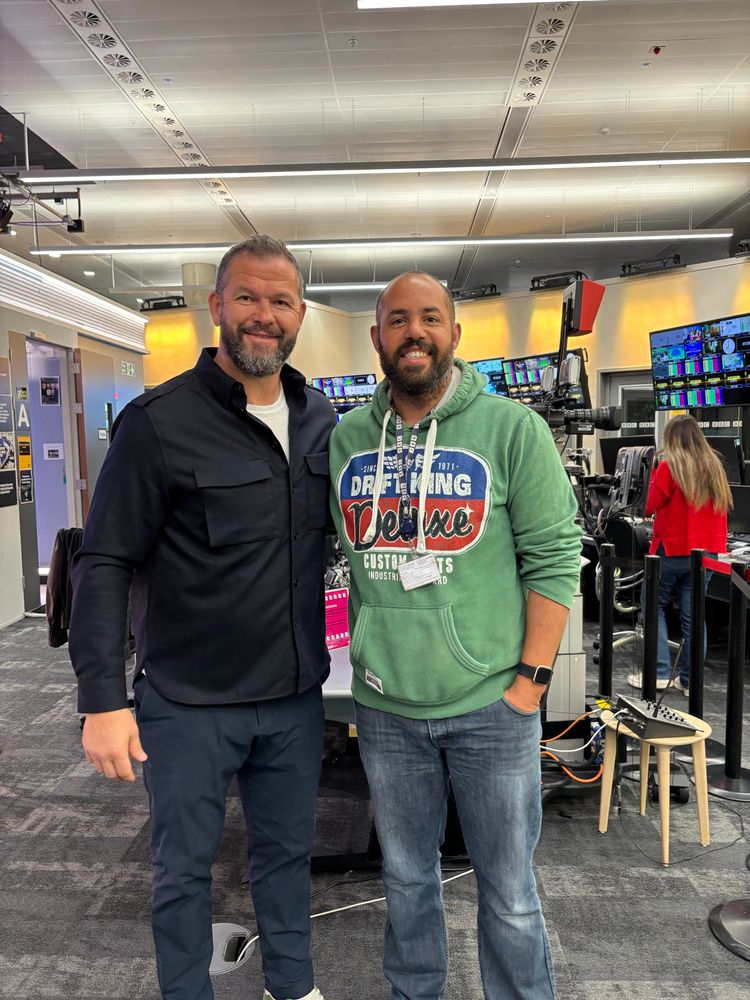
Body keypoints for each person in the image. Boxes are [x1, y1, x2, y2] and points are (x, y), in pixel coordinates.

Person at [69, 235, 334, 1000]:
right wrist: (102, 699)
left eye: (280, 301)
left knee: (287, 858)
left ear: (299, 315)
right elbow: (105, 561)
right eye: (247, 297)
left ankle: (294, 986)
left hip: (292, 696)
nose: (263, 315)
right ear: (216, 306)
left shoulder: (322, 419)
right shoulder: (157, 423)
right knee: (182, 869)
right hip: (188, 700)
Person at [328, 271, 582, 1000]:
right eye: (399, 319)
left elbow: (555, 560)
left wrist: (529, 684)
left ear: (454, 334)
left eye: (430, 318)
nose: (416, 332)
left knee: (507, 890)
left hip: (491, 708)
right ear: (376, 337)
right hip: (385, 708)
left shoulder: (512, 429)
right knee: (406, 881)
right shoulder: (347, 440)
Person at [628, 414, 731, 695]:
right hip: (707, 553)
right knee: (694, 617)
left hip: (672, 550)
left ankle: (660, 672)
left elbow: (649, 505)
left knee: (654, 606)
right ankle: (689, 681)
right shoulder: (715, 466)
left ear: (672, 440)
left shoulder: (669, 466)